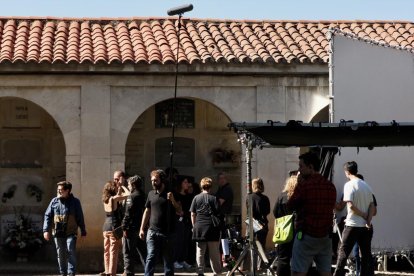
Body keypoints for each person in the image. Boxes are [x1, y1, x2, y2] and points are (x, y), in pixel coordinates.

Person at [288, 152, 336, 276]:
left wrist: (298, 184)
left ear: (310, 167)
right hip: (325, 236)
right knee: (325, 271)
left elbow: (290, 205)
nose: (299, 170)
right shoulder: (331, 186)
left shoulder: (304, 186)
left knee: (298, 271)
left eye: (301, 166)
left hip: (306, 234)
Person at [333, 162, 375, 276]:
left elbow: (350, 206)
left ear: (347, 172)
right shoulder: (366, 185)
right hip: (366, 227)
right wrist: (368, 220)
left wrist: (363, 215)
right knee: (366, 255)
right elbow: (372, 205)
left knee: (343, 253)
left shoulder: (349, 185)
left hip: (353, 224)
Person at [139, 169, 182, 276]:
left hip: (168, 233)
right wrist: (142, 228)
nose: (153, 183)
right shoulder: (151, 194)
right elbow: (147, 211)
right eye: (152, 180)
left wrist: (172, 200)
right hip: (152, 232)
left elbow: (180, 210)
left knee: (168, 260)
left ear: (162, 180)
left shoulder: (172, 193)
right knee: (151, 256)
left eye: (156, 180)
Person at [43, 181, 87, 276]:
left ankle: (71, 273)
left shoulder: (75, 202)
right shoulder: (54, 201)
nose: (58, 192)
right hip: (58, 232)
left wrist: (83, 232)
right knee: (60, 253)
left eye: (61, 190)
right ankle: (63, 273)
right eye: (58, 190)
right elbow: (47, 215)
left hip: (71, 232)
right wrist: (45, 230)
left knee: (70, 250)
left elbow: (80, 217)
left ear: (67, 190)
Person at [190, 177, 222, 276]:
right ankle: (217, 272)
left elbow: (192, 213)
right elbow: (218, 212)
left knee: (200, 252)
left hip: (199, 226)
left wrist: (194, 226)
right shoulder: (214, 198)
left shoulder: (196, 198)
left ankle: (200, 272)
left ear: (201, 186)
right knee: (214, 253)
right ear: (211, 186)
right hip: (212, 227)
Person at [101, 180, 130, 276]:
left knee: (106, 251)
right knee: (113, 251)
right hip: (114, 226)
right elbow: (128, 195)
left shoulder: (105, 199)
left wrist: (118, 190)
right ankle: (112, 272)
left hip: (105, 226)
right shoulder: (114, 199)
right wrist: (123, 187)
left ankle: (106, 271)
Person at [273, 174, 298, 276]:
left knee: (283, 258)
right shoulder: (299, 196)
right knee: (298, 257)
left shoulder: (281, 196)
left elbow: (275, 212)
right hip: (297, 230)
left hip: (284, 230)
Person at [122, 175, 147, 276]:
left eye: (128, 184)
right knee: (143, 252)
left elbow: (128, 214)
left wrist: (124, 227)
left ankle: (128, 272)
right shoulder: (143, 195)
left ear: (133, 185)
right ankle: (148, 270)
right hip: (141, 227)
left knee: (128, 252)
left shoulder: (132, 197)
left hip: (131, 228)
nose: (128, 186)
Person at [247, 177, 270, 270]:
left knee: (250, 246)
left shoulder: (249, 197)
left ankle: (252, 266)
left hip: (252, 223)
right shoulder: (265, 198)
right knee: (261, 246)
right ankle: (260, 266)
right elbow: (267, 211)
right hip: (263, 224)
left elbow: (249, 212)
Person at [173, 175, 193, 269]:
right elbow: (178, 209)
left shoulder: (188, 195)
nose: (187, 184)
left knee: (185, 241)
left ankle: (182, 260)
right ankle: (175, 260)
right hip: (179, 220)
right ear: (180, 184)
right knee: (178, 241)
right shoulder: (176, 195)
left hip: (187, 220)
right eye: (185, 182)